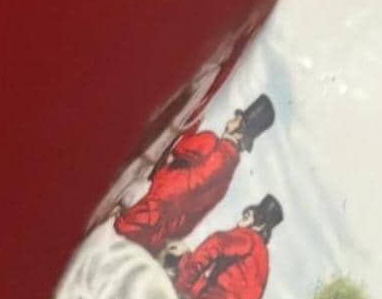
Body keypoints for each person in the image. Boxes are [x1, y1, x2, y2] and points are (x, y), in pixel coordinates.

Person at [113, 95, 275, 256]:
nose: (232, 119)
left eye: (237, 118)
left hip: (138, 224)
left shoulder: (213, 147)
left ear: (240, 131)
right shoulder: (226, 171)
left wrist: (130, 221)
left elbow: (173, 193)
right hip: (150, 235)